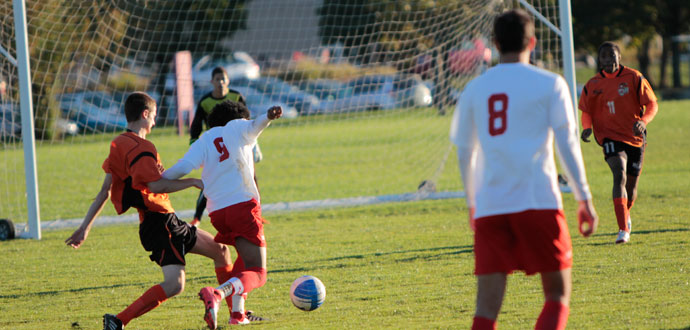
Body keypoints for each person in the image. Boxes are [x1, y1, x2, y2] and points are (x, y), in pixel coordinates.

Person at [449, 10, 598, 330]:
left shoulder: (475, 89)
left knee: (485, 311)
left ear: (495, 43)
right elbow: (567, 144)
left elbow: (465, 152)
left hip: (491, 207)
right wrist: (583, 197)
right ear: (533, 41)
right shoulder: (550, 83)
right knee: (557, 295)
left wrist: (472, 203)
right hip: (539, 201)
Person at [65, 92, 232, 330]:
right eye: (153, 116)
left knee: (222, 251)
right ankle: (118, 320)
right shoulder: (142, 147)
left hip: (167, 221)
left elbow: (105, 191)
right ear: (144, 114)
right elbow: (156, 186)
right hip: (160, 224)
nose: (154, 122)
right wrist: (193, 182)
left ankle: (235, 314)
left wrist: (84, 228)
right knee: (175, 285)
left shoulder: (118, 144)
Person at [162, 100, 282, 328]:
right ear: (237, 119)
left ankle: (237, 315)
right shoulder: (237, 127)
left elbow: (182, 167)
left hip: (217, 212)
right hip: (242, 206)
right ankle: (217, 294)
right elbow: (256, 125)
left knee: (243, 260)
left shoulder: (204, 140)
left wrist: (159, 178)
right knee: (258, 272)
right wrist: (268, 115)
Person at [578, 41, 658, 244]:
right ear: (599, 60)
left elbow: (652, 104)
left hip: (634, 137)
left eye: (612, 55)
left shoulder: (633, 77)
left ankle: (625, 213)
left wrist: (643, 121)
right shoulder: (593, 85)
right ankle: (623, 230)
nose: (608, 60)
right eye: (604, 56)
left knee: (631, 187)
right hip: (609, 136)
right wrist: (587, 127)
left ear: (619, 57)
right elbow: (586, 110)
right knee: (618, 173)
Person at [189, 66, 263, 227]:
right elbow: (196, 124)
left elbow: (247, 119)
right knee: (210, 178)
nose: (221, 82)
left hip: (238, 143)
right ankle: (197, 217)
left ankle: (257, 211)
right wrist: (194, 141)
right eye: (217, 79)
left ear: (228, 80)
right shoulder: (205, 101)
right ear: (212, 81)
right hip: (217, 147)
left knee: (250, 174)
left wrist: (254, 143)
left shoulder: (236, 96)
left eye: (223, 79)